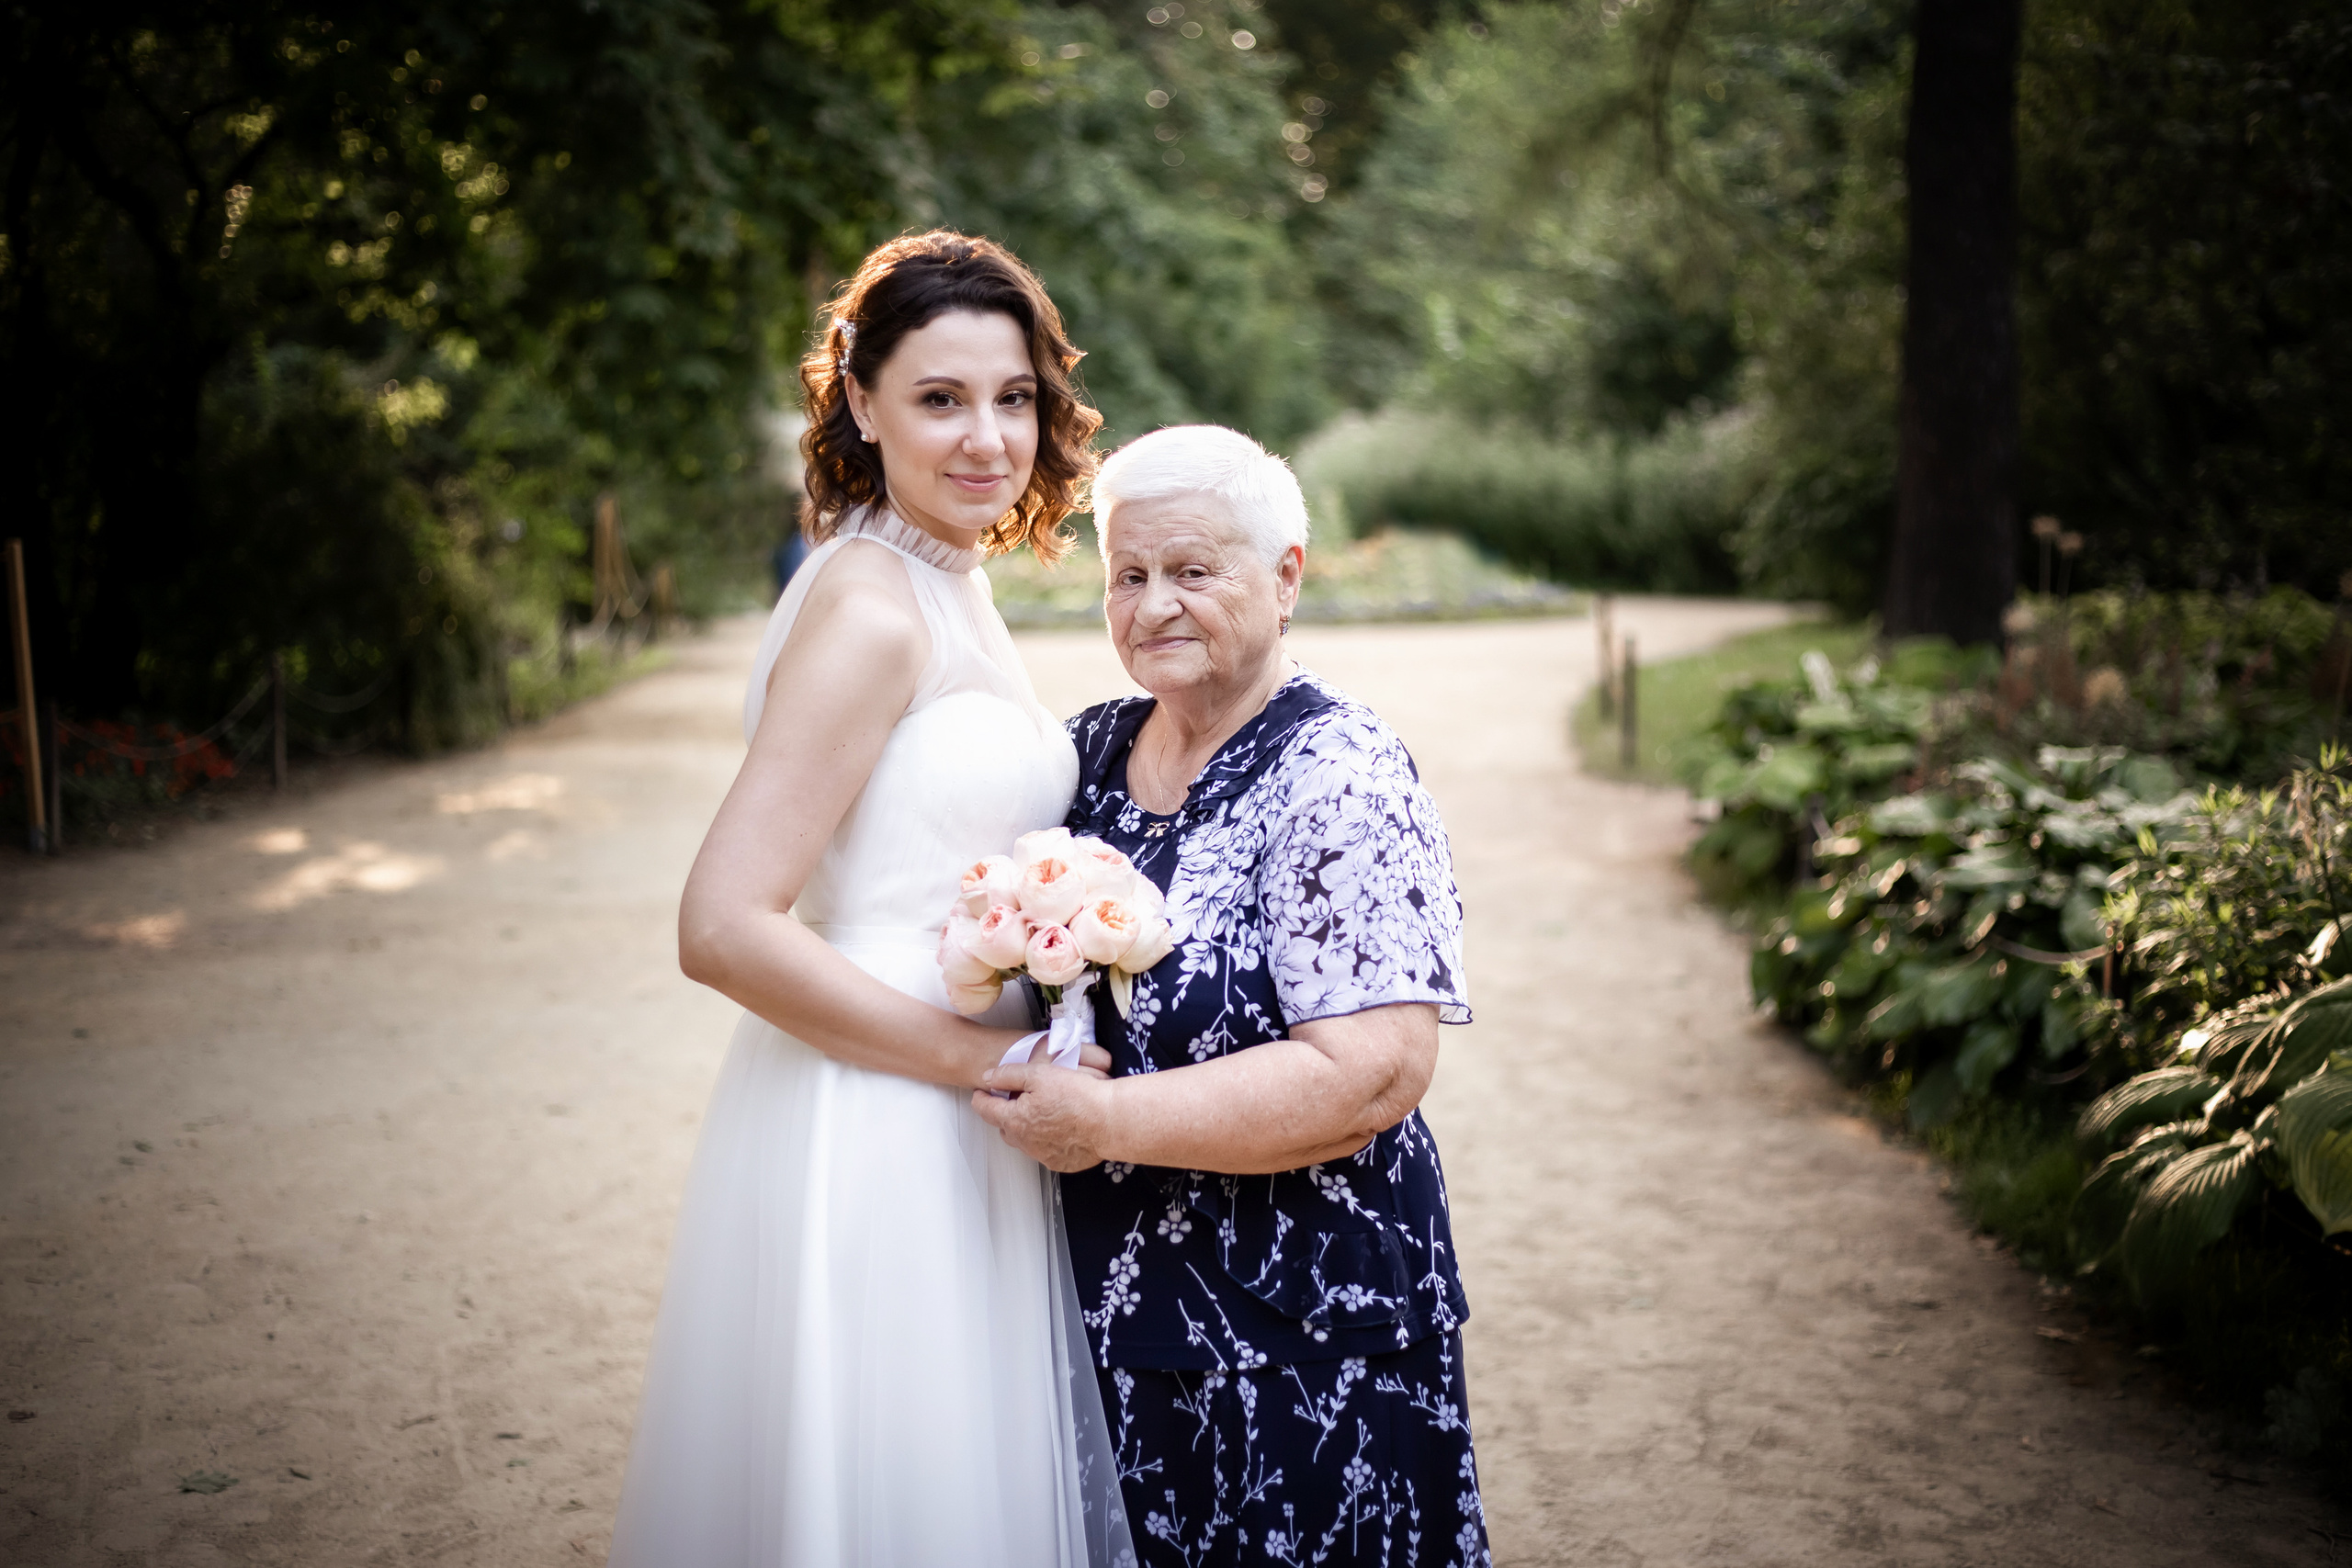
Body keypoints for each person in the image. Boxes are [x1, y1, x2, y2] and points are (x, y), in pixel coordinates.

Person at [608, 231, 1134, 1568]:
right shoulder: (873, 608)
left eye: (1013, 397)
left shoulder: (941, 577)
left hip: (951, 1096)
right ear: (860, 403)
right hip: (884, 1108)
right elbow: (722, 922)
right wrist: (984, 1055)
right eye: (940, 398)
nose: (987, 437)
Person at [977, 425, 1490, 1567]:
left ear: (1286, 577)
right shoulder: (1088, 760)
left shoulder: (1339, 771)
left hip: (1303, 1344)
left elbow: (1370, 1077)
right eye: (1129, 575)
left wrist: (1103, 1122)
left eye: (1192, 571)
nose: (1153, 605)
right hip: (1111, 1326)